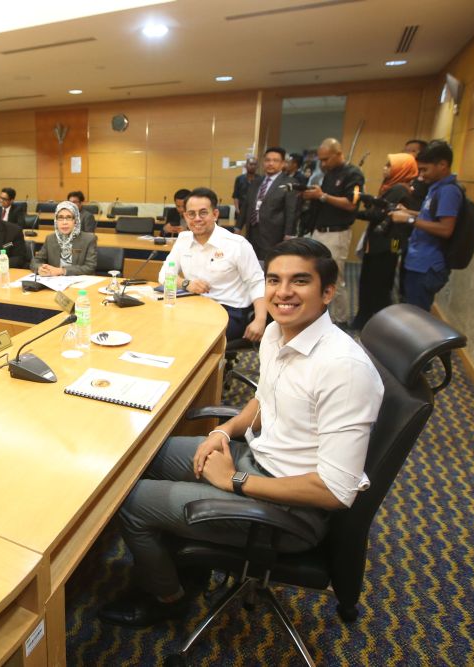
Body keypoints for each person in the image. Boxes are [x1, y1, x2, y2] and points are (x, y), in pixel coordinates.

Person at [99, 237, 384, 627]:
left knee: (130, 502)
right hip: (257, 457)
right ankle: (187, 557)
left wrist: (235, 480)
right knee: (139, 458)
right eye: (274, 280)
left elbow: (336, 490)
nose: (283, 293)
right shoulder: (277, 333)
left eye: (299, 281)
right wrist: (224, 431)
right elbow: (266, 401)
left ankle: (167, 597)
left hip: (291, 511)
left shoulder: (343, 369)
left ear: (328, 291)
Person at [159, 187, 267, 341]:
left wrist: (260, 320)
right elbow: (164, 275)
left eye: (203, 212)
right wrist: (186, 283)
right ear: (185, 216)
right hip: (194, 305)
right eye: (191, 214)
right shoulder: (183, 240)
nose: (197, 218)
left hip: (229, 311)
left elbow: (257, 283)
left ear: (215, 214)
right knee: (160, 323)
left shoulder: (237, 244)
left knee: (188, 335)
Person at [350, 153, 421, 331]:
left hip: (385, 245)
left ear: (401, 169)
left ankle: (371, 320)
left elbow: (379, 214)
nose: (385, 168)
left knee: (375, 283)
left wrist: (354, 212)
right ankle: (372, 319)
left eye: (389, 166)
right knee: (378, 282)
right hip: (386, 244)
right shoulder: (396, 187)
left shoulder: (399, 189)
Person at [301, 138, 365, 324]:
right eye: (320, 160)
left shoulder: (353, 174)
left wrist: (322, 196)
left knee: (334, 277)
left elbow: (351, 204)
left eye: (326, 159)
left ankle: (340, 319)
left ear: (338, 154)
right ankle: (321, 315)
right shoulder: (329, 174)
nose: (323, 164)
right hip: (319, 232)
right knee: (316, 275)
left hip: (337, 234)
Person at [391, 141, 461, 312]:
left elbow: (445, 229)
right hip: (417, 261)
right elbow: (429, 217)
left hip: (427, 265)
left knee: (417, 316)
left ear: (443, 165)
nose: (421, 176)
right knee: (410, 310)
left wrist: (408, 220)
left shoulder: (448, 191)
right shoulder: (436, 188)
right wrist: (409, 213)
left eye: (425, 170)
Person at [241, 147, 301, 262]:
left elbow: (291, 211)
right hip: (253, 230)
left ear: (283, 163)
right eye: (267, 160)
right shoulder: (257, 181)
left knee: (271, 262)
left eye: (275, 160)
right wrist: (238, 227)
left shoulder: (290, 183)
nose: (270, 163)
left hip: (274, 233)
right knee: (252, 261)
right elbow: (246, 205)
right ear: (263, 163)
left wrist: (289, 234)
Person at [31, 201, 97, 276]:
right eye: (60, 218)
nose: (64, 222)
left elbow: (90, 267)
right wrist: (40, 268)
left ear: (76, 220)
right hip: (55, 282)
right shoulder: (50, 238)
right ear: (56, 221)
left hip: (80, 283)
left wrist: (62, 271)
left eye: (68, 218)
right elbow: (35, 261)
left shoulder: (89, 239)